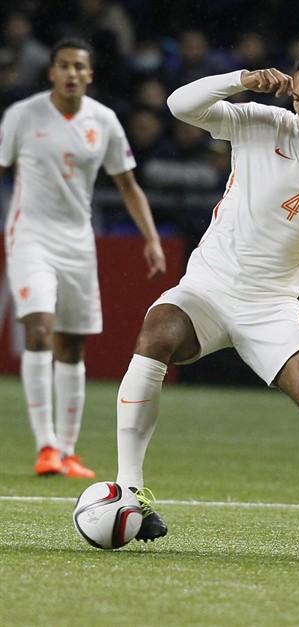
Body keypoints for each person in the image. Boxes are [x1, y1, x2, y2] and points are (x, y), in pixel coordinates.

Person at [114, 47, 299, 558]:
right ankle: (131, 492)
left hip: (273, 307)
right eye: (297, 98)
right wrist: (241, 78)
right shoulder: (262, 123)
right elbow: (179, 104)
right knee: (156, 332)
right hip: (207, 289)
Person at [0, 38, 167, 478]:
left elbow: (128, 185)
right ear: (51, 72)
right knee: (39, 327)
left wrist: (150, 238)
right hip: (30, 235)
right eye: (63, 65)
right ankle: (46, 447)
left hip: (78, 240)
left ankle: (69, 451)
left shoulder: (105, 121)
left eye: (79, 66)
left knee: (72, 344)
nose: (71, 72)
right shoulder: (23, 115)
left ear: (89, 75)